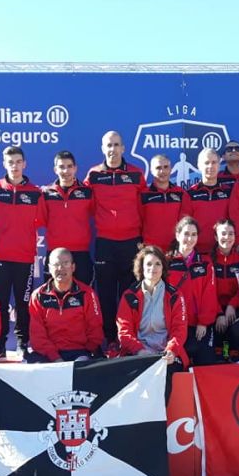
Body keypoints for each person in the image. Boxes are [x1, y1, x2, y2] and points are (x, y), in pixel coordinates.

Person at [85, 131, 147, 345]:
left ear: (123, 148)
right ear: (103, 148)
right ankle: (110, 339)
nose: (112, 149)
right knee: (106, 295)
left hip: (132, 242)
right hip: (105, 243)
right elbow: (87, 205)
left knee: (131, 294)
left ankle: (129, 338)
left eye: (116, 145)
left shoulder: (137, 174)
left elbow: (144, 208)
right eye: (108, 145)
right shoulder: (93, 175)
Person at [0, 146, 44, 361]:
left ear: (24, 164)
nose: (15, 166)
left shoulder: (35, 192)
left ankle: (22, 344)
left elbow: (40, 220)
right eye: (10, 162)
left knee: (23, 304)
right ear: (4, 164)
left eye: (18, 161)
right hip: (0, 257)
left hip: (25, 258)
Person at [116, 245, 188, 403]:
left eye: (157, 264)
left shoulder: (175, 295)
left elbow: (180, 330)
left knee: (164, 378)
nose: (153, 268)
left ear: (163, 267)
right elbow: (124, 332)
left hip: (165, 354)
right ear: (141, 267)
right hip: (138, 353)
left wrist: (171, 350)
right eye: (148, 264)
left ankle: (159, 422)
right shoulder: (129, 296)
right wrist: (139, 350)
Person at [27, 248, 104, 362]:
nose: (60, 268)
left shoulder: (87, 293)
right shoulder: (38, 295)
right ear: (49, 268)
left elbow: (95, 330)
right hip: (49, 354)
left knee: (84, 367)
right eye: (56, 264)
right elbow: (37, 336)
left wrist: (87, 351)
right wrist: (56, 358)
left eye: (65, 263)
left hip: (79, 352)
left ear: (73, 267)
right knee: (33, 369)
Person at [166, 217, 219, 365]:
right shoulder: (166, 262)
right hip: (174, 326)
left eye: (194, 234)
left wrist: (203, 322)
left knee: (207, 363)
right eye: (186, 234)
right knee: (176, 365)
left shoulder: (205, 263)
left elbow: (210, 294)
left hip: (198, 326)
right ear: (177, 235)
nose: (190, 239)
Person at [42, 150, 95, 286]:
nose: (66, 170)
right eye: (61, 167)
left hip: (81, 254)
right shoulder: (46, 193)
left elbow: (95, 214)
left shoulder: (87, 192)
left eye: (69, 166)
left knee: (84, 296)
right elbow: (42, 218)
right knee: (52, 296)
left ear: (75, 168)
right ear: (55, 169)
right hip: (55, 254)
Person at [211, 218, 239, 358]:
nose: (227, 237)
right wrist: (219, 313)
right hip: (213, 308)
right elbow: (207, 292)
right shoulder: (208, 261)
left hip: (235, 308)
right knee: (215, 328)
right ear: (216, 237)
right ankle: (220, 351)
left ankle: (237, 351)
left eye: (231, 234)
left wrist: (232, 305)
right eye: (223, 233)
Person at [181, 148, 233, 253]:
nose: (210, 166)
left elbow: (233, 219)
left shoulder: (228, 192)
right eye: (206, 163)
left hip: (222, 250)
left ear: (219, 165)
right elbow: (185, 224)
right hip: (197, 251)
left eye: (214, 162)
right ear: (199, 166)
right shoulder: (190, 193)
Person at [141, 154, 185, 250]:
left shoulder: (181, 193)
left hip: (174, 248)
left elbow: (184, 222)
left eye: (166, 167)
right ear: (151, 171)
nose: (162, 171)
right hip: (151, 249)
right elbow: (138, 222)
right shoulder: (143, 194)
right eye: (158, 168)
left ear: (171, 169)